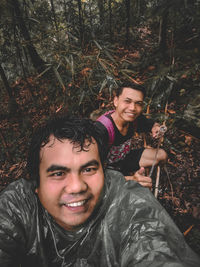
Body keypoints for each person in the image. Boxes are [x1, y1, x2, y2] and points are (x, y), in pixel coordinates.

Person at [0, 116, 199, 267]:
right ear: (37, 183)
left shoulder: (128, 202)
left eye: (88, 169)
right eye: (58, 173)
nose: (77, 186)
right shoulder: (17, 208)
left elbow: (151, 241)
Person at [95, 81, 168, 189]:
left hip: (123, 160)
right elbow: (91, 173)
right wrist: (131, 180)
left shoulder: (134, 119)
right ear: (116, 101)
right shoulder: (101, 129)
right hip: (105, 171)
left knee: (161, 155)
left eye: (138, 103)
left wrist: (155, 128)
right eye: (127, 101)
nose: (133, 108)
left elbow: (151, 124)